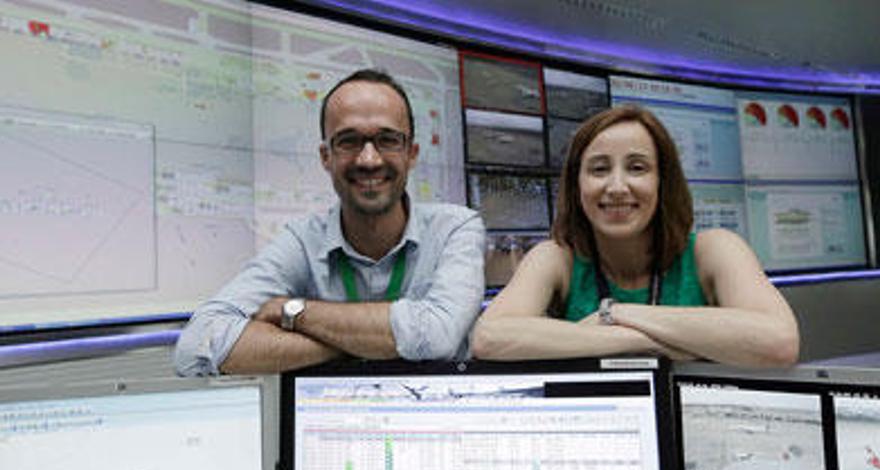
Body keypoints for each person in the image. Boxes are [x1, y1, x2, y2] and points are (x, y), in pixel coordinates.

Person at [175, 69, 486, 375]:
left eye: (387, 140)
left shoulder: (455, 229)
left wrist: (296, 313)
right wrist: (367, 344)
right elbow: (195, 346)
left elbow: (439, 336)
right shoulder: (301, 241)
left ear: (412, 153)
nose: (369, 160)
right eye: (349, 141)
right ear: (326, 156)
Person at [471, 105, 799, 367]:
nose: (616, 187)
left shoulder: (714, 250)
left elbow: (780, 342)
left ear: (662, 180)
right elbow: (490, 338)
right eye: (599, 169)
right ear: (577, 185)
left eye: (637, 168)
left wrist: (615, 315)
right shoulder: (556, 257)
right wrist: (652, 342)